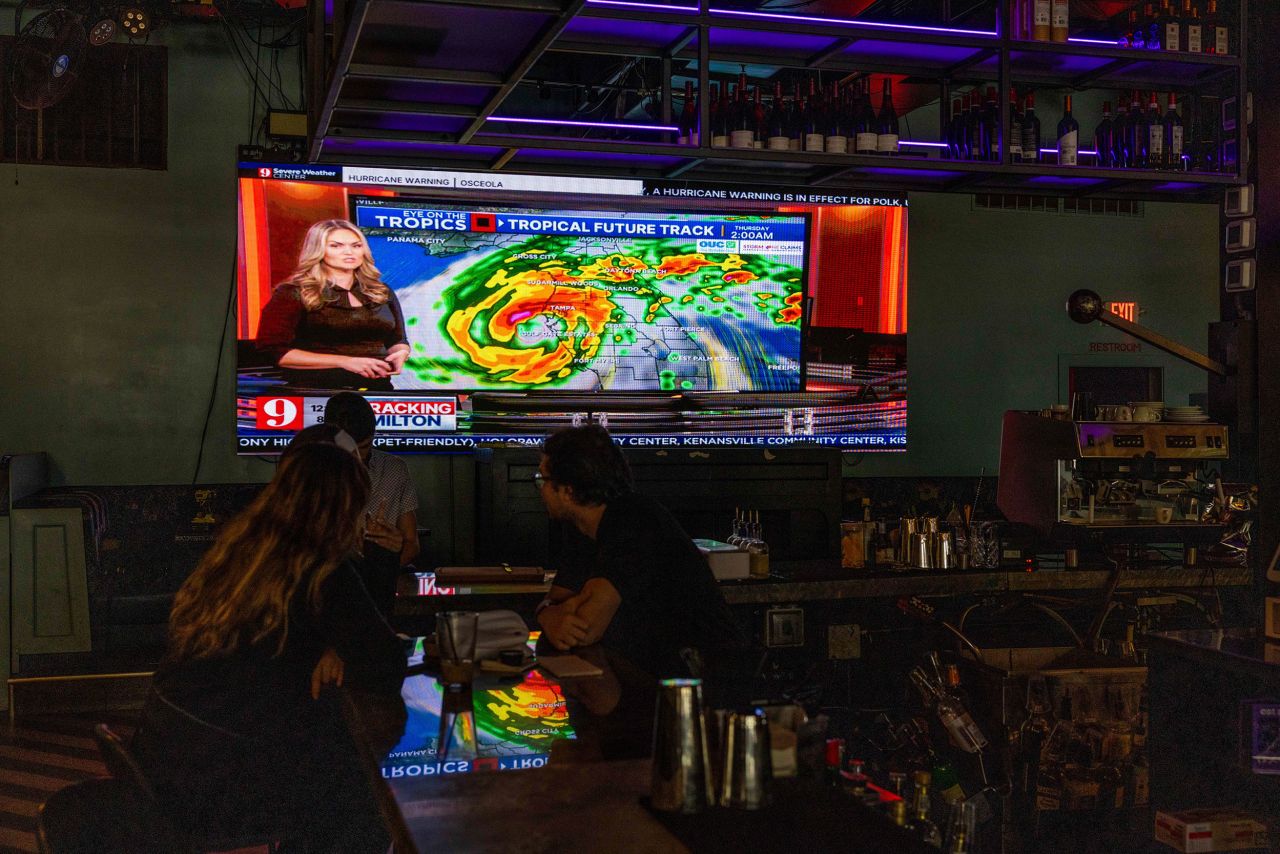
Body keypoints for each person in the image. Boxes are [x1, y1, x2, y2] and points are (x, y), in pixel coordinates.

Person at [130, 443, 405, 853]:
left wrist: (334, 646)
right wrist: (342, 643)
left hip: (162, 756)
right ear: (344, 509)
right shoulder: (322, 570)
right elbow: (387, 664)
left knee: (331, 757)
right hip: (223, 782)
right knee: (358, 786)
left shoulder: (238, 552)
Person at [533, 425, 740, 678]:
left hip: (701, 676)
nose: (540, 489)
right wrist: (548, 614)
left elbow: (584, 628)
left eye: (542, 479)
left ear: (568, 491)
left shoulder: (633, 520)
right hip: (647, 669)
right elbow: (560, 603)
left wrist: (556, 614)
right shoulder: (580, 528)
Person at [256, 219, 410, 391]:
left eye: (356, 246)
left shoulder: (381, 290)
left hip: (377, 390)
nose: (348, 252)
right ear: (319, 250)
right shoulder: (293, 292)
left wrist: (400, 353)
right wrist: (345, 362)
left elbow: (398, 339)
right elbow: (273, 351)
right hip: (316, 391)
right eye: (336, 246)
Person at [324, 392, 421, 568]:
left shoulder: (394, 469)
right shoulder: (310, 473)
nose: (358, 457)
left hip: (381, 577)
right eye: (348, 449)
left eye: (364, 447)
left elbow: (411, 543)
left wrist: (389, 562)